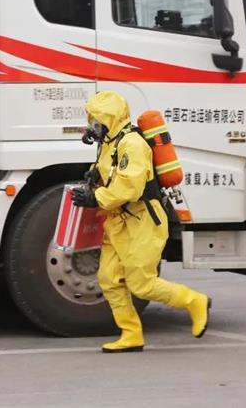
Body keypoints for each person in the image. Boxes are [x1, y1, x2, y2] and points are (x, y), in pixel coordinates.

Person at [72, 91, 210, 353]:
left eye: (95, 120)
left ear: (109, 119)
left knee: (141, 284)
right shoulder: (110, 142)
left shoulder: (132, 144)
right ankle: (131, 333)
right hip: (119, 220)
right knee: (109, 278)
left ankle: (193, 301)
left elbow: (129, 187)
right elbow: (109, 171)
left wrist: (95, 197)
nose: (92, 125)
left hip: (143, 221)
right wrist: (93, 177)